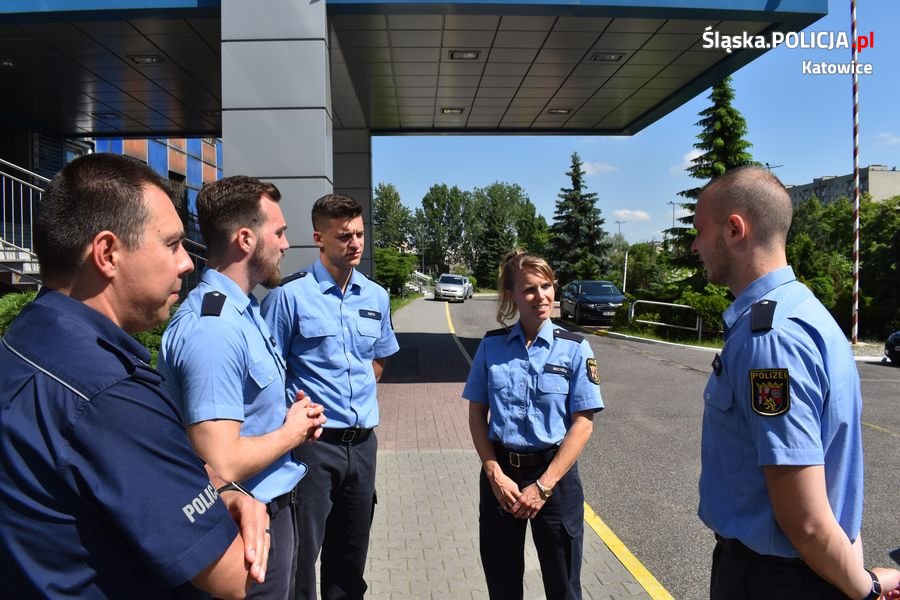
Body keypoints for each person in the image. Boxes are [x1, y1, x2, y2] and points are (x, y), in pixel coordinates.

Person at [0, 153, 272, 599]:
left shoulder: (21, 341)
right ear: (107, 253)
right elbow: (233, 575)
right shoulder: (113, 397)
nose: (187, 263)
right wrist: (236, 501)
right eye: (171, 244)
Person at [693, 166, 900, 600]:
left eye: (700, 229)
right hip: (805, 572)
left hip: (771, 581)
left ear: (734, 229)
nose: (695, 245)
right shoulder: (804, 312)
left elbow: (805, 520)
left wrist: (867, 587)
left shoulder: (770, 339)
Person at [159, 176, 327, 599]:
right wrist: (291, 433)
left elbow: (247, 413)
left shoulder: (245, 311)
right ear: (246, 239)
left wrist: (294, 415)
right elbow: (222, 461)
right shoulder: (214, 330)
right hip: (242, 532)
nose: (287, 245)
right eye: (280, 232)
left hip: (270, 518)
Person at [261, 193, 399, 600]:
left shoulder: (375, 296)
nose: (355, 243)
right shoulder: (289, 297)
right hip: (313, 449)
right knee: (301, 561)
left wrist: (351, 395)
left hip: (362, 447)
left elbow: (378, 361)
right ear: (319, 237)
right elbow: (270, 372)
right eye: (344, 236)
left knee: (350, 561)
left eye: (359, 234)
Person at [462, 250, 603, 600]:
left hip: (555, 480)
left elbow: (583, 423)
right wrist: (493, 473)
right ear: (512, 295)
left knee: (563, 585)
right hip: (502, 479)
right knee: (503, 584)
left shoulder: (574, 348)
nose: (541, 296)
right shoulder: (492, 345)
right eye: (529, 289)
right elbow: (477, 414)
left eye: (547, 286)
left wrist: (543, 486)